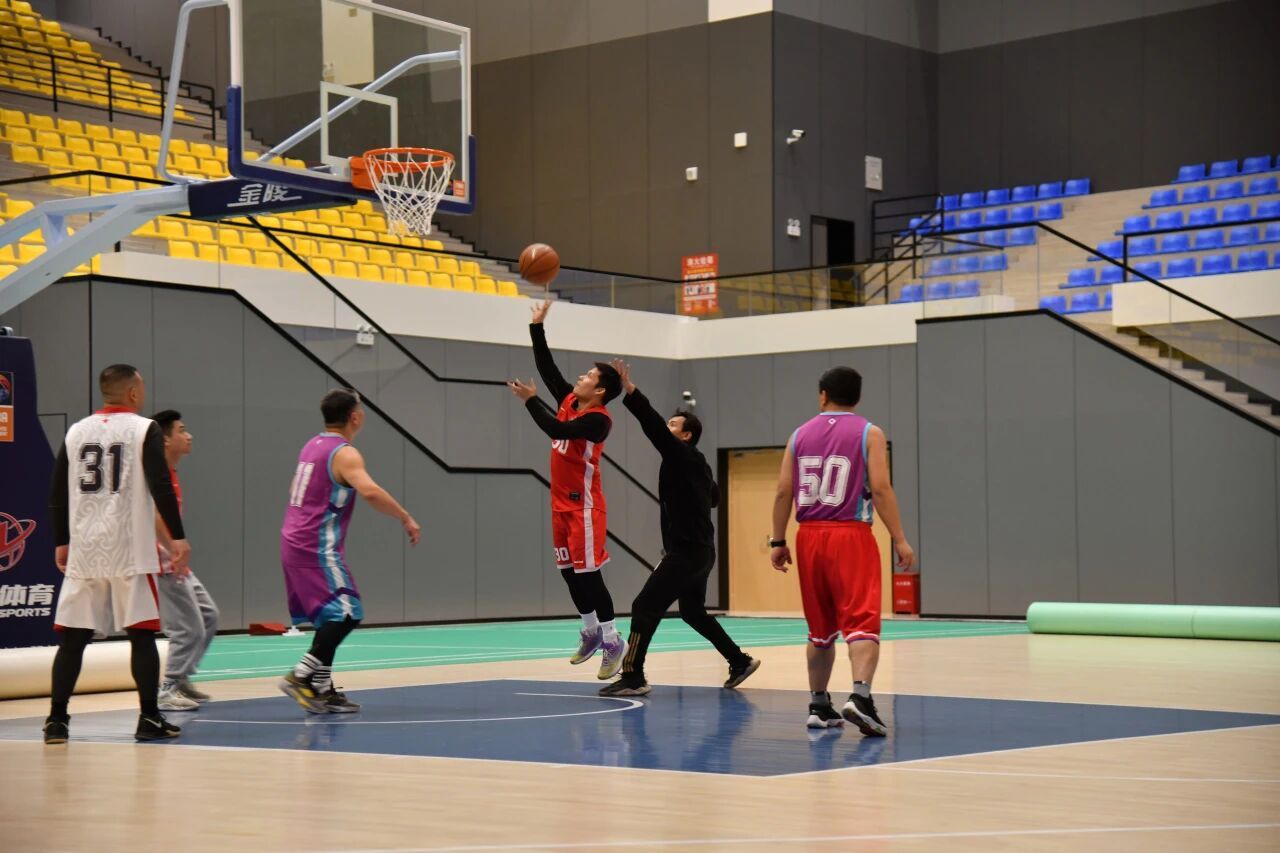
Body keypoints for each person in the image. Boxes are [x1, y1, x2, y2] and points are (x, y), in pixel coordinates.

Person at [44, 364, 191, 744]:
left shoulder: (77, 430)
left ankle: (56, 720)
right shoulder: (144, 428)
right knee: (141, 635)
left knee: (74, 639)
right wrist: (178, 537)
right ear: (133, 393)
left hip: (85, 546)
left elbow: (57, 491)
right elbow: (160, 485)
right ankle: (149, 717)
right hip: (129, 547)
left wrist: (62, 540)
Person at [599, 359, 759, 697]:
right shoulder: (697, 464)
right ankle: (739, 660)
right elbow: (714, 498)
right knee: (693, 612)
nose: (666, 427)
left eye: (673, 425)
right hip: (702, 552)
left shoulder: (681, 455)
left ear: (686, 436)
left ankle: (633, 675)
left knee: (644, 606)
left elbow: (652, 426)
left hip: (686, 552)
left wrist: (630, 391)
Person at [770, 366, 916, 735]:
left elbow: (783, 491)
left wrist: (778, 540)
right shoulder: (869, 432)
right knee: (862, 620)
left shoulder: (799, 435)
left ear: (823, 395)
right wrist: (899, 537)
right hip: (850, 534)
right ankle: (860, 697)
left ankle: (819, 705)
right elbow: (880, 489)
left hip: (808, 536)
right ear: (858, 397)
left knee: (820, 628)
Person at [277, 389, 421, 714]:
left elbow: (293, 489)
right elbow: (369, 491)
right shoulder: (345, 454)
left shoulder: (312, 446)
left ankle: (321, 687)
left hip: (294, 539)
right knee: (348, 612)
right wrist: (405, 517)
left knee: (328, 617)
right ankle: (301, 676)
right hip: (315, 545)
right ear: (355, 417)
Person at [507, 297, 627, 680]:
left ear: (601, 390)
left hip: (585, 508)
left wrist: (530, 402)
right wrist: (536, 327)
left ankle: (613, 639)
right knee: (568, 572)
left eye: (589, 375)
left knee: (589, 575)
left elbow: (556, 429)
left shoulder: (599, 420)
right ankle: (590, 631)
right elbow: (548, 369)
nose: (581, 377)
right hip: (559, 505)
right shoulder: (572, 400)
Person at [150, 410, 220, 712]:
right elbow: (153, 517)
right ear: (165, 440)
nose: (188, 436)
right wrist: (173, 551)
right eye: (182, 430)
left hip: (174, 561)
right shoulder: (155, 475)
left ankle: (181, 679)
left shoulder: (171, 473)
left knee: (209, 615)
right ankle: (168, 688)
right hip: (163, 563)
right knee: (188, 629)